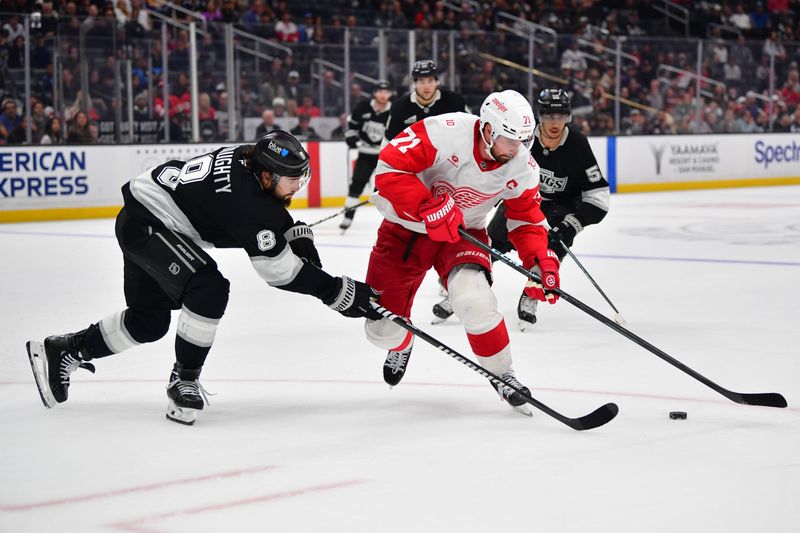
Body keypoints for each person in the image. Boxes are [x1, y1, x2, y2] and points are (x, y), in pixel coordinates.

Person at [25, 130, 383, 426]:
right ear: (266, 175)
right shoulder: (249, 203)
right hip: (150, 225)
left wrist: (293, 237)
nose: (298, 187)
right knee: (208, 288)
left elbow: (262, 221)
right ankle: (185, 377)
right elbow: (280, 272)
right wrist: (338, 292)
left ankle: (65, 349)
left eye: (302, 177)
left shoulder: (248, 157)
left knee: (148, 322)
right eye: (292, 180)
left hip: (143, 215)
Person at [363, 90, 560, 413]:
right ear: (487, 129)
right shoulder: (444, 130)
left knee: (474, 299)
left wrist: (540, 261)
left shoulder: (522, 165)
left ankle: (503, 374)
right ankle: (402, 339)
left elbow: (526, 219)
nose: (518, 150)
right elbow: (389, 170)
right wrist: (427, 206)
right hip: (405, 228)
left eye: (525, 141)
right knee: (381, 330)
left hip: (463, 232)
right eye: (511, 140)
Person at [433, 88, 609, 329]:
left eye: (561, 116)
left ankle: (531, 293)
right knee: (488, 247)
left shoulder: (577, 145)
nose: (555, 123)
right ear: (539, 116)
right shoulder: (520, 137)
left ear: (568, 117)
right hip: (519, 203)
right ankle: (464, 292)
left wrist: (572, 226)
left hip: (559, 209)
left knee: (548, 253)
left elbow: (598, 198)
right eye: (548, 116)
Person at [339, 80, 393, 232]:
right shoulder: (362, 107)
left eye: (386, 92)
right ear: (375, 93)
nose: (383, 95)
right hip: (365, 154)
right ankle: (347, 216)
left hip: (385, 157)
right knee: (356, 185)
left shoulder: (394, 110)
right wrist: (351, 138)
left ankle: (389, 221)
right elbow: (352, 126)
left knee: (385, 190)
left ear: (389, 94)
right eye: (380, 91)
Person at [383, 59, 469, 142]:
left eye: (430, 81)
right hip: (413, 156)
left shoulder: (455, 101)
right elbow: (389, 141)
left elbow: (470, 128)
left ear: (437, 81)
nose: (426, 86)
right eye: (421, 81)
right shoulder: (399, 107)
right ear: (414, 83)